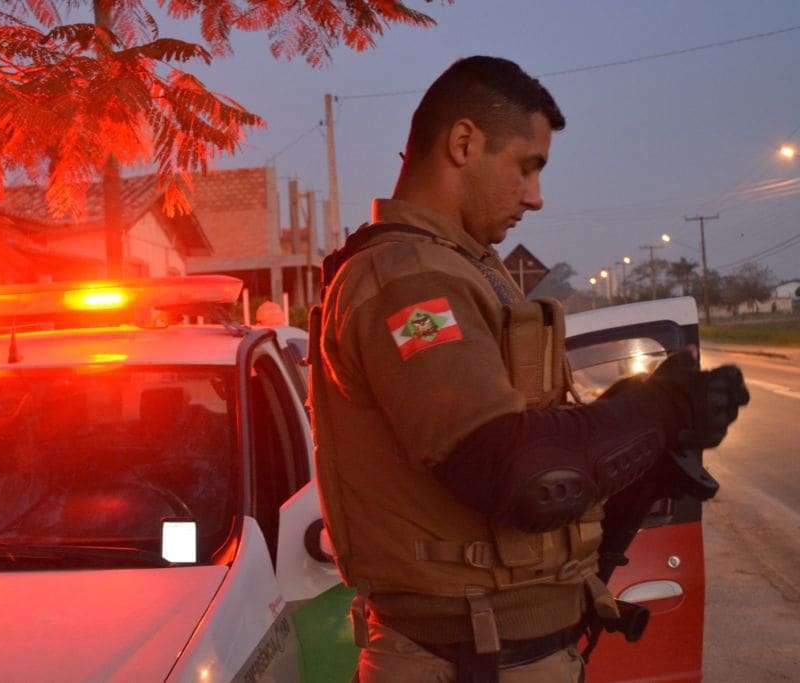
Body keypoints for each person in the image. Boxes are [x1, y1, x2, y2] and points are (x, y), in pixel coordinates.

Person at [308, 56, 749, 682]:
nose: (536, 197)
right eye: (526, 166)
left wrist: (646, 421)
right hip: (463, 660)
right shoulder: (408, 281)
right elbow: (520, 473)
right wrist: (655, 410)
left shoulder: (461, 271)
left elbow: (535, 442)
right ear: (463, 143)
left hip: (500, 653)